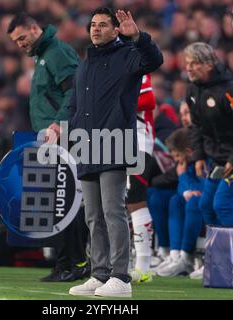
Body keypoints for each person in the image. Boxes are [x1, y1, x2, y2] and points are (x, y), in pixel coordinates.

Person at [68, 7, 162, 298]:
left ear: (116, 29)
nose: (95, 29)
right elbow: (75, 104)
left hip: (115, 142)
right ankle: (100, 274)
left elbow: (154, 60)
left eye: (103, 25)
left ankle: (121, 277)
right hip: (87, 144)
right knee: (93, 215)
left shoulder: (127, 55)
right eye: (93, 24)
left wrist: (139, 36)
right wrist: (71, 133)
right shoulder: (85, 63)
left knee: (113, 211)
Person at [7, 12, 89, 282]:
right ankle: (64, 262)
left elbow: (74, 91)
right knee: (56, 204)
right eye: (15, 40)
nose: (19, 43)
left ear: (34, 28)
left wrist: (58, 124)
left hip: (63, 138)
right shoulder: (44, 55)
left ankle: (75, 263)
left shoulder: (56, 53)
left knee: (66, 202)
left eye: (21, 37)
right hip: (51, 139)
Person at [185, 42, 233, 229]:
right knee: (206, 206)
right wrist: (199, 156)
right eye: (187, 63)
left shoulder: (230, 91)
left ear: (209, 65)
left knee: (223, 205)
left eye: (194, 63)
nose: (188, 68)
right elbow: (196, 125)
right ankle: (219, 254)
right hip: (218, 159)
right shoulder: (193, 90)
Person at [154, 128, 203, 277]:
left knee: (194, 202)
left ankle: (186, 258)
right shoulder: (186, 164)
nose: (175, 160)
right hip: (198, 205)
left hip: (225, 204)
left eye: (177, 155)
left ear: (188, 151)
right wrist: (183, 180)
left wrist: (182, 176)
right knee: (176, 200)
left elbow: (200, 190)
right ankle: (175, 255)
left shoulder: (201, 162)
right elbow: (183, 190)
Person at [127, 73, 156, 283]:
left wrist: (113, 102)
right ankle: (123, 262)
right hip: (112, 138)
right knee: (115, 200)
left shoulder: (135, 62)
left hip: (138, 139)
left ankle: (144, 265)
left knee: (135, 197)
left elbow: (148, 100)